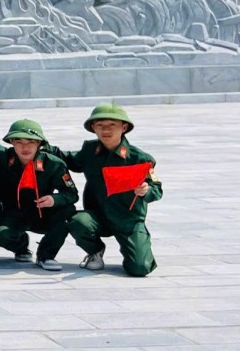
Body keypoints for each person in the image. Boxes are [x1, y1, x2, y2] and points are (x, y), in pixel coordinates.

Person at [58, 103, 162, 276]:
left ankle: (135, 251)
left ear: (124, 127)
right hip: (98, 217)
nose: (106, 130)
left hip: (128, 220)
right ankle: (95, 251)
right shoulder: (89, 151)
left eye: (112, 125)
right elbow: (68, 159)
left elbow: (157, 189)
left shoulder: (140, 159)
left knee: (140, 268)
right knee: (78, 222)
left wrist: (146, 190)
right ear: (93, 128)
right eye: (100, 125)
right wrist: (39, 146)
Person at [0, 119, 78, 271]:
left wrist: (54, 199)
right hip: (13, 214)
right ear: (11, 142)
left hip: (42, 212)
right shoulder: (1, 156)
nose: (25, 147)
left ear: (39, 143)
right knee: (1, 235)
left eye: (31, 142)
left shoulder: (54, 164)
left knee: (67, 211)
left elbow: (71, 194)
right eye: (19, 142)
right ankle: (21, 247)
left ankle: (46, 255)